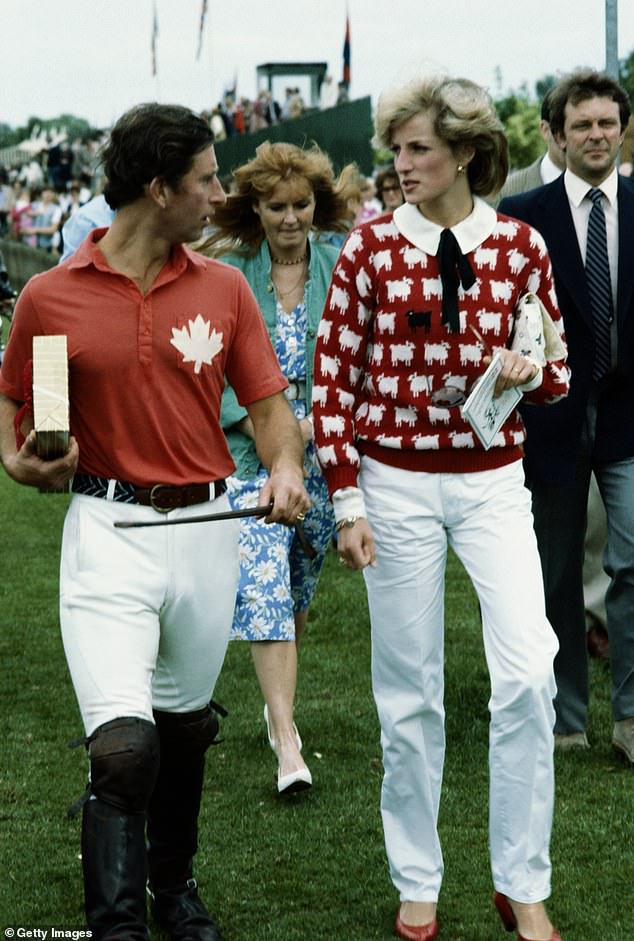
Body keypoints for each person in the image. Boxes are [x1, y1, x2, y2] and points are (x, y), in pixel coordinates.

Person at [0, 102, 310, 941]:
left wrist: (283, 464)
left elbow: (271, 409)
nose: (219, 193)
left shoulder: (222, 285)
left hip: (210, 528)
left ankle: (173, 890)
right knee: (124, 749)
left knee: (180, 733)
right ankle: (117, 926)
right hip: (107, 534)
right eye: (206, 179)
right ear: (158, 186)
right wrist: (17, 457)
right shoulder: (49, 294)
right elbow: (14, 399)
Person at [312, 72, 570, 941]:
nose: (402, 165)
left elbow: (558, 368)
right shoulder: (369, 248)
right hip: (393, 483)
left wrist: (530, 374)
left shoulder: (523, 246)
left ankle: (521, 879)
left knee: (530, 672)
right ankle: (417, 879)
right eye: (397, 151)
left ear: (466, 152)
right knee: (409, 689)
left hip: (496, 479)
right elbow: (333, 382)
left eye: (419, 148)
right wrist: (347, 498)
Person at [199, 141, 356, 794]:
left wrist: (320, 423)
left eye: (301, 205)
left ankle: (276, 701)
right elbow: (213, 368)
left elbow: (357, 353)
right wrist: (266, 427)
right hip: (245, 450)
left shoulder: (340, 264)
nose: (291, 219)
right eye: (276, 207)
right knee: (262, 574)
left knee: (294, 587)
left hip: (323, 451)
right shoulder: (228, 271)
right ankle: (287, 740)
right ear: (254, 210)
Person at [499, 69, 634, 763]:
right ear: (555, 135)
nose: (596, 135)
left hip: (627, 412)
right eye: (581, 125)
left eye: (607, 123)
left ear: (622, 128)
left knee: (632, 556)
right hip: (550, 413)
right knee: (553, 569)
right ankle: (566, 716)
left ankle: (631, 717)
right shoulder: (522, 215)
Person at [494, 88, 566, 201]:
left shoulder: (599, 192)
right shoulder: (507, 194)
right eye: (579, 126)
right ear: (545, 130)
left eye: (603, 124)